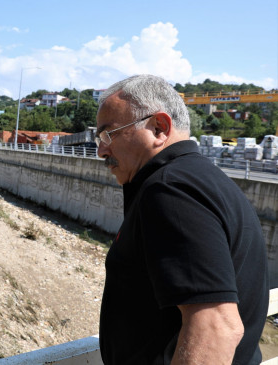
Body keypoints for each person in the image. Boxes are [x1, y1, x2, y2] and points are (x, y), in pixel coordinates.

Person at [96, 74, 269, 364]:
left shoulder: (171, 192)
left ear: (159, 128)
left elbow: (216, 327)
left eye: (108, 134)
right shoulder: (203, 180)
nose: (101, 149)